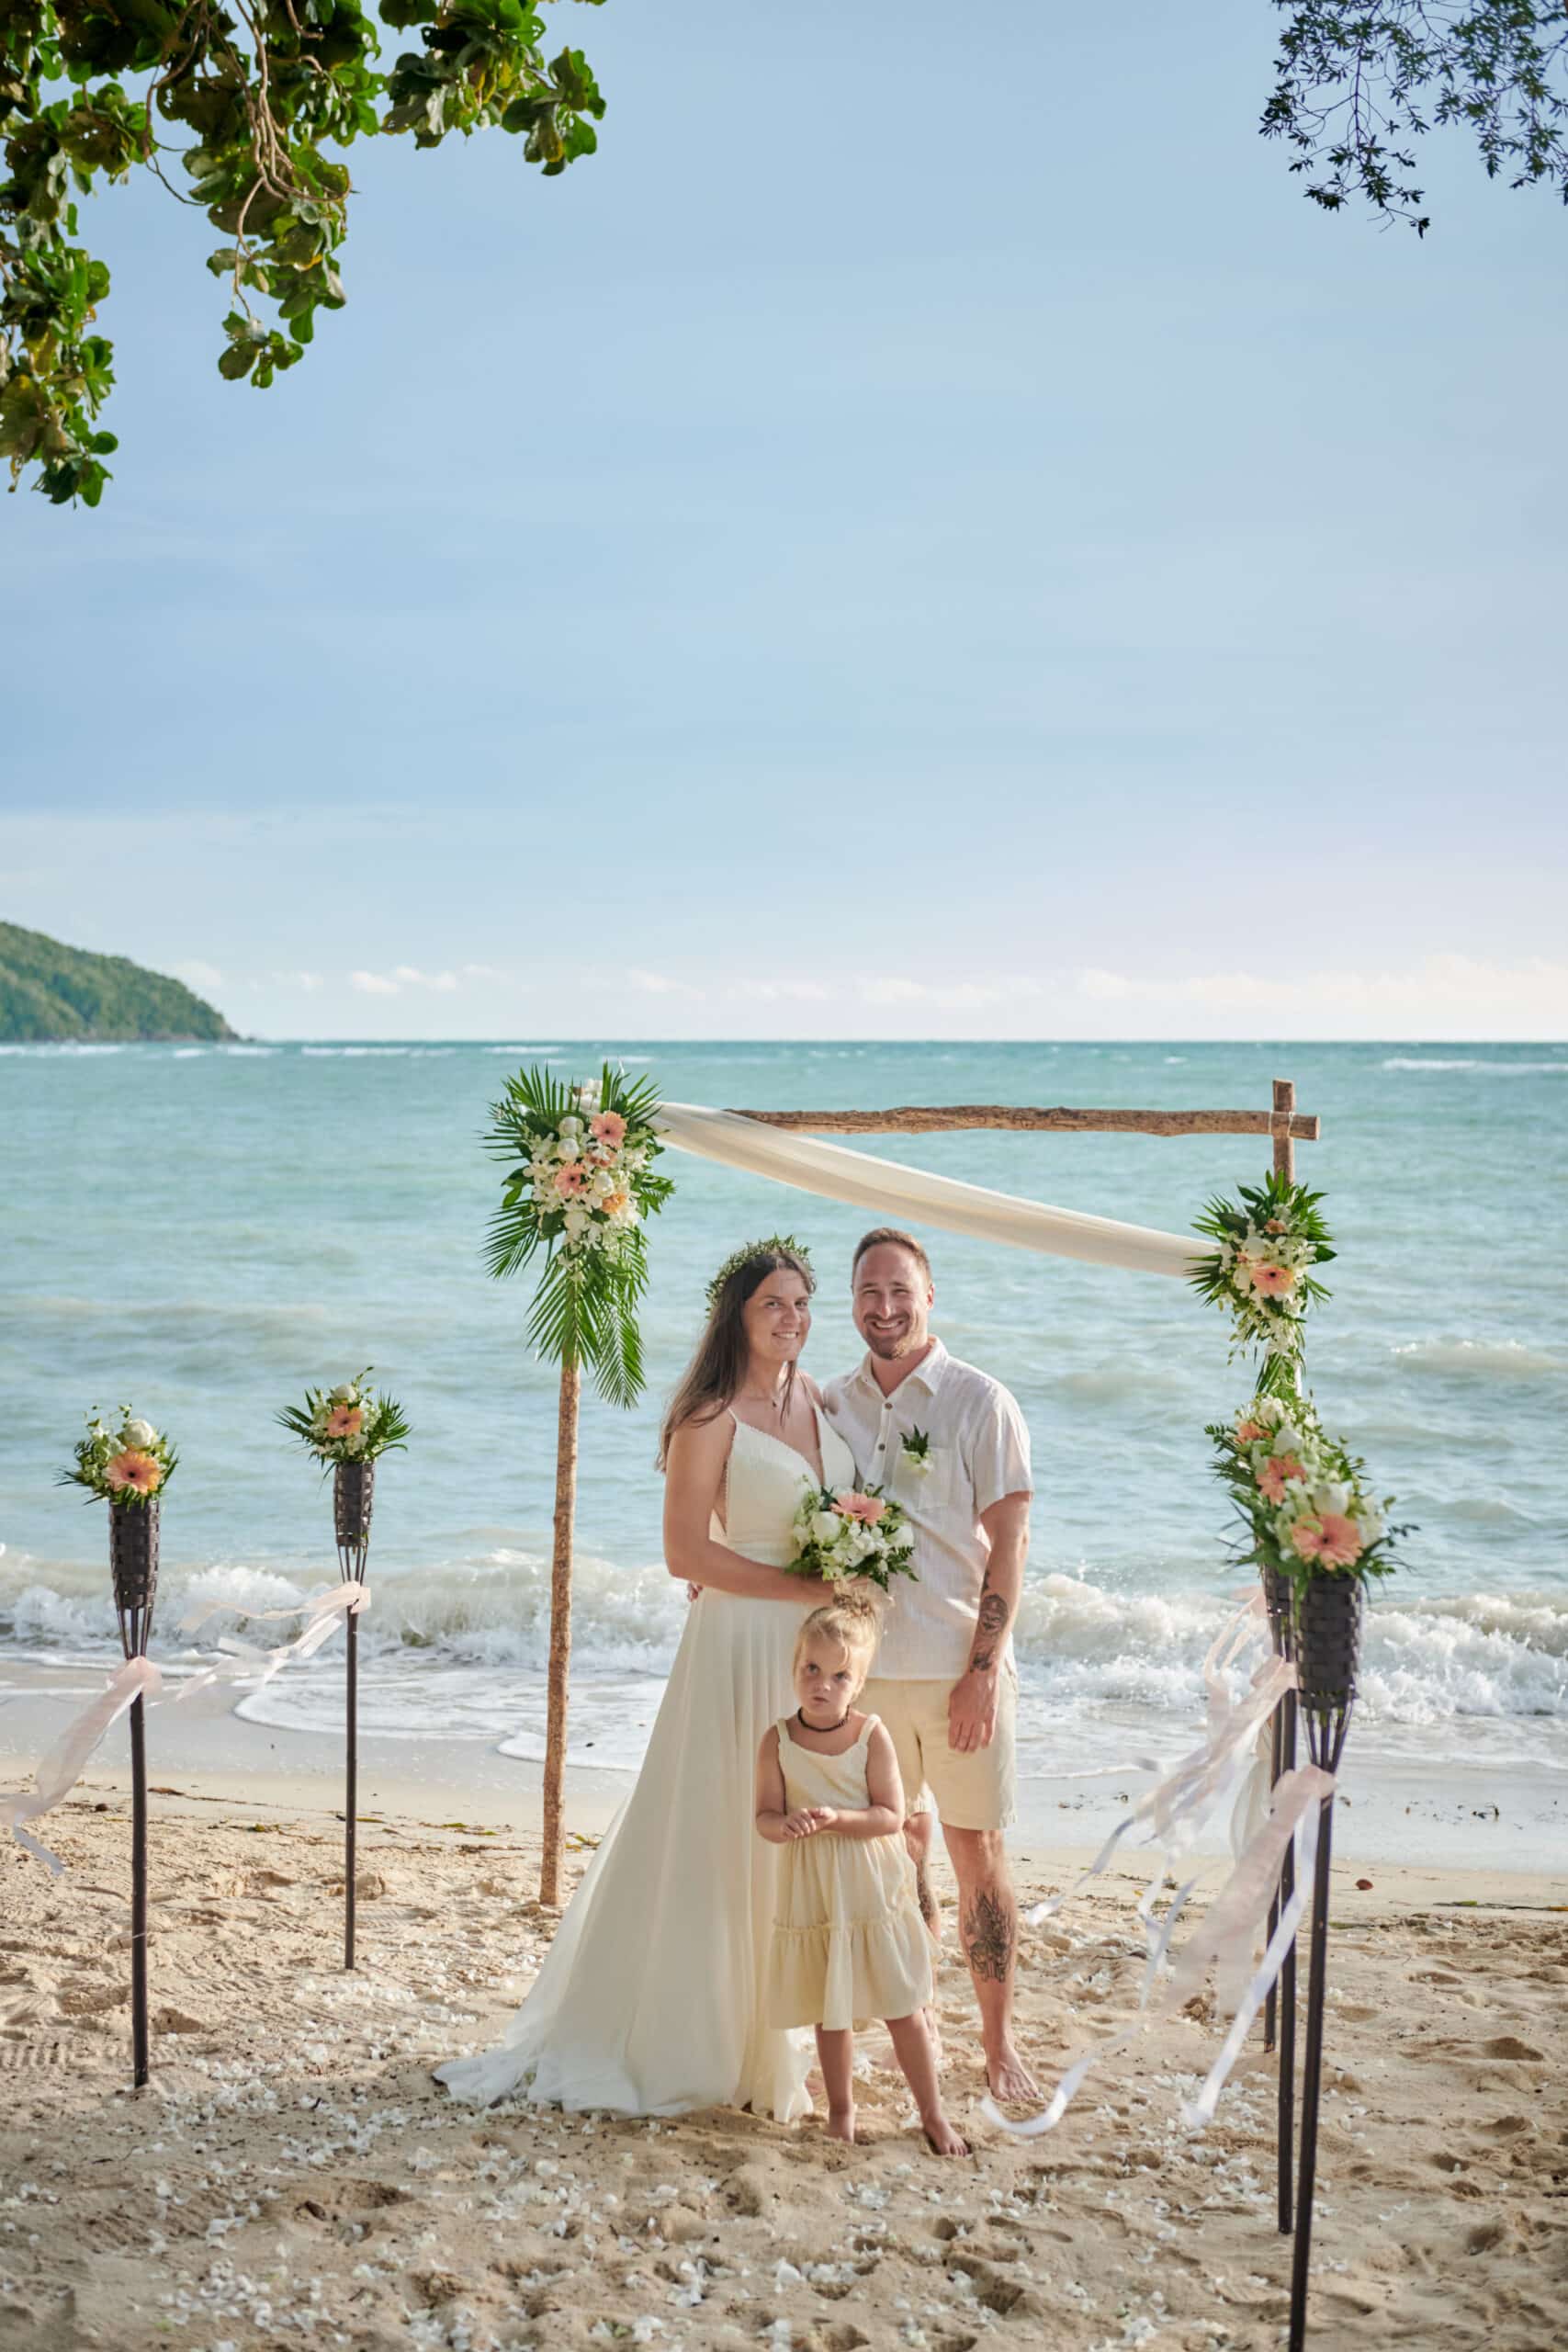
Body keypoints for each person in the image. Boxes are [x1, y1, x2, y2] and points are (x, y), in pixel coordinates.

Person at [435, 1237, 846, 2116]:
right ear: (737, 1316)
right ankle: (692, 2038)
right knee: (718, 1825)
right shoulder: (708, 1417)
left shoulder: (819, 1400)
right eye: (774, 1303)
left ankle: (772, 2037)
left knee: (793, 1829)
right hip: (736, 1643)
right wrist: (803, 1584)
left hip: (806, 1650)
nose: (793, 1319)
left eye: (804, 1303)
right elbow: (684, 1552)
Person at [821, 1227, 1040, 2106]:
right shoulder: (830, 1402)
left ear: (929, 1295)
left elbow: (1010, 1544)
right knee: (896, 1854)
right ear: (852, 1302)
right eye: (869, 1293)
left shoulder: (978, 1402)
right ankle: (922, 2017)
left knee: (975, 1852)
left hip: (958, 1670)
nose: (885, 1308)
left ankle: (997, 2040)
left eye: (900, 1291)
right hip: (866, 1677)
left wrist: (982, 1671)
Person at [757, 1598, 968, 2156]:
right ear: (795, 1667)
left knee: (901, 2004)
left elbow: (890, 1816)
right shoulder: (777, 1740)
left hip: (871, 1888)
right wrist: (789, 1824)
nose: (822, 1684)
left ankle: (932, 2112)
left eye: (839, 1675)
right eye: (811, 1670)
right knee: (833, 2009)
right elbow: (765, 1818)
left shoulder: (871, 1734)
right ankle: (841, 2112)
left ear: (860, 1682)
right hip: (817, 1891)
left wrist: (836, 1818)